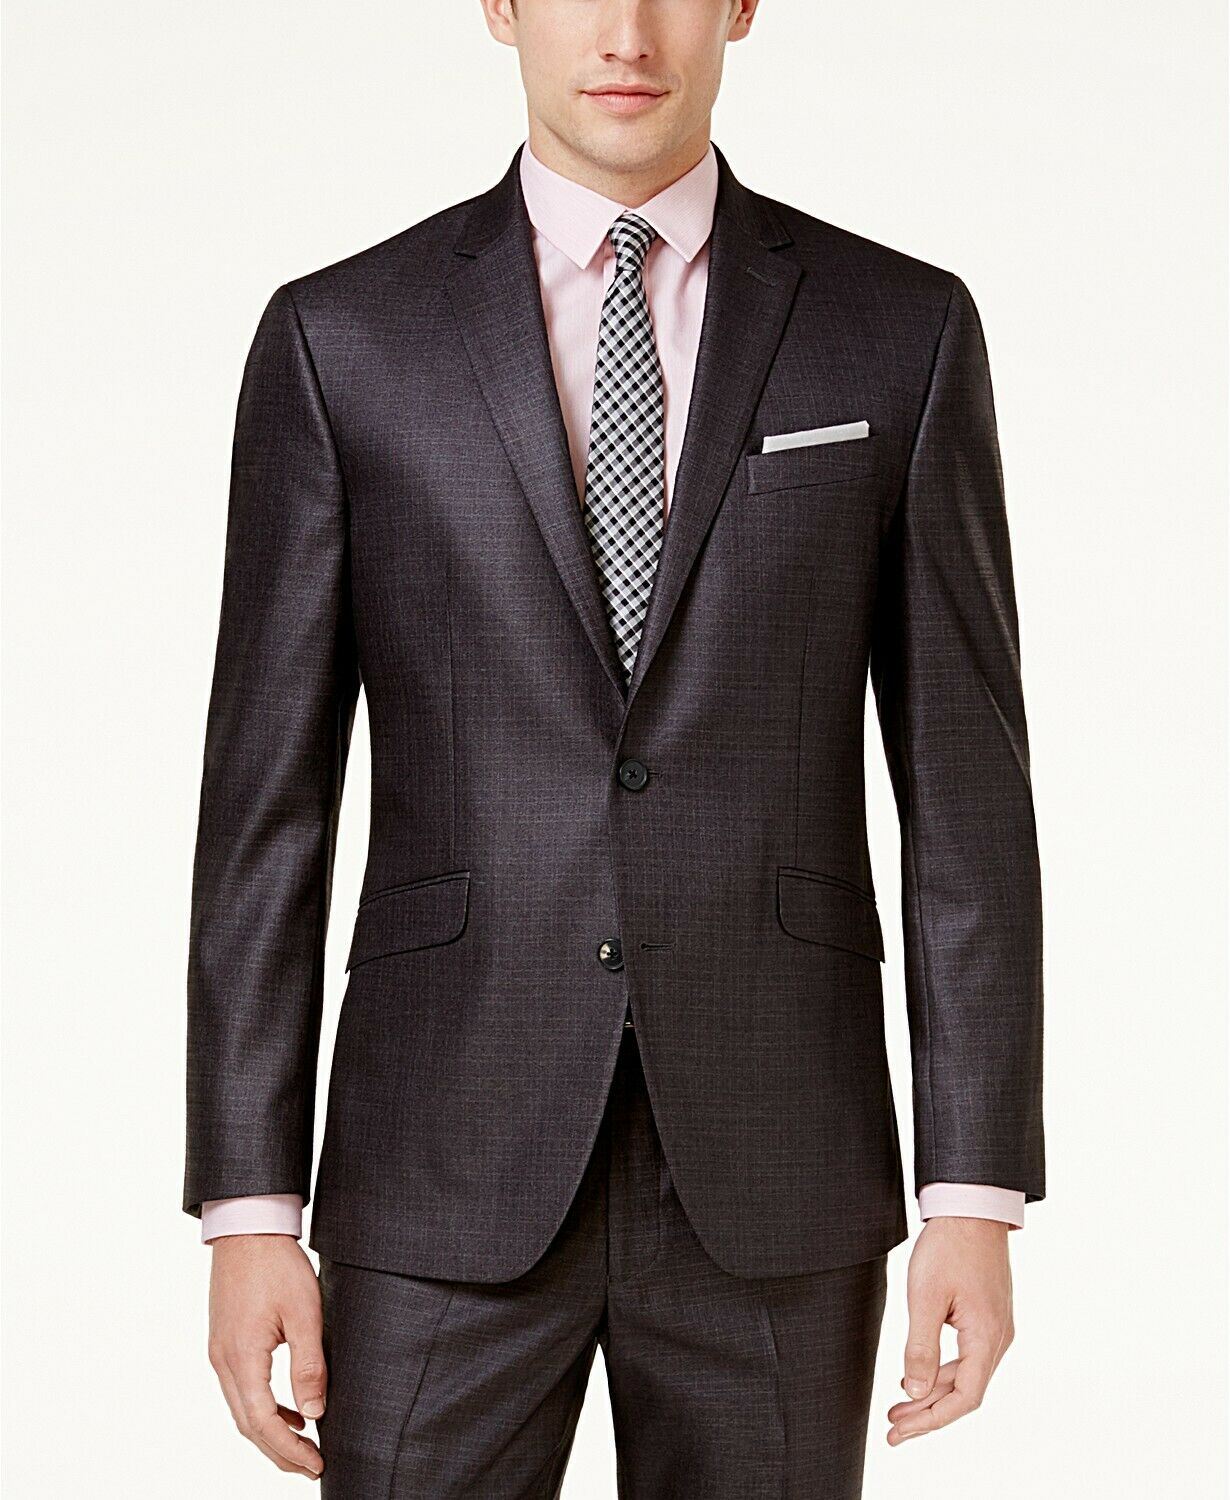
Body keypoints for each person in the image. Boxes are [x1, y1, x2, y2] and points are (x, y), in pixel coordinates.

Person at [184, 1, 1044, 1493]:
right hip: (439, 1154)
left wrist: (972, 1187)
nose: (626, 32)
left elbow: (967, 797)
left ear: (742, 6)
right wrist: (249, 1206)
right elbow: (267, 804)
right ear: (500, 6)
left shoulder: (896, 328)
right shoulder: (344, 338)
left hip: (778, 1160)